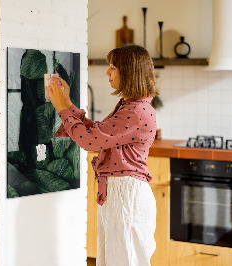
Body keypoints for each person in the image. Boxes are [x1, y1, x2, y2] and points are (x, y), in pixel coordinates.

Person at [45, 44, 158, 266]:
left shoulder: (135, 111)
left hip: (126, 195)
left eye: (113, 67)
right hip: (120, 193)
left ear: (129, 71)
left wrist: (61, 107)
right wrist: (67, 103)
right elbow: (97, 133)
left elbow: (89, 141)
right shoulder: (131, 106)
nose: (107, 72)